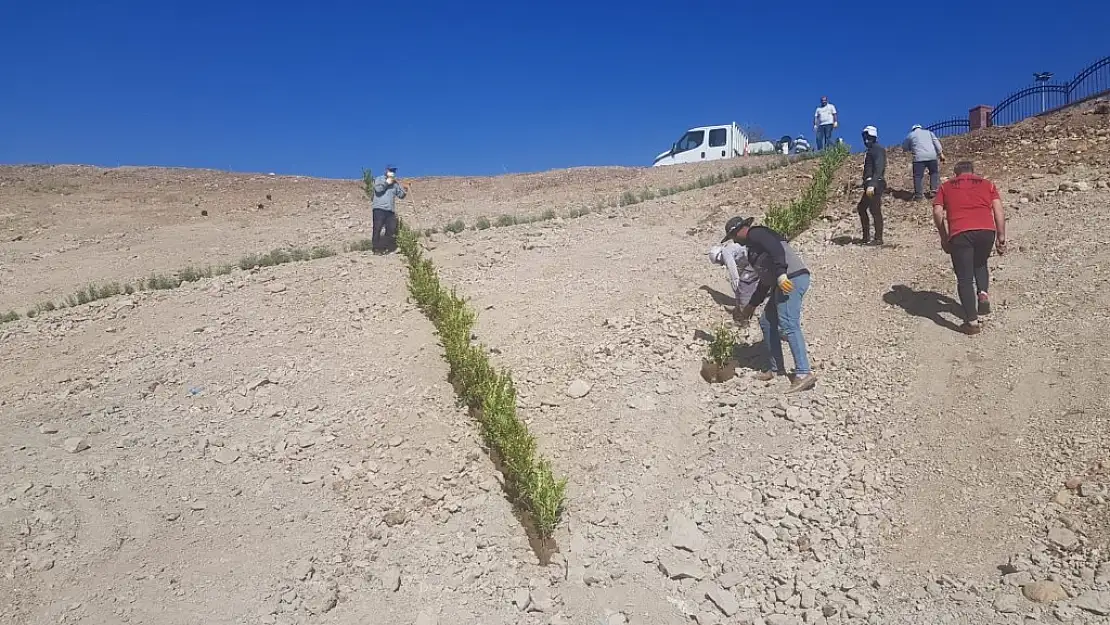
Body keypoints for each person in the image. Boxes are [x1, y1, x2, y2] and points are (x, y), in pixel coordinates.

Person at [723, 217, 817, 393]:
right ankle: (776, 369)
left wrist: (781, 273)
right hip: (780, 283)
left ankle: (804, 373)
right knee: (766, 321)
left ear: (741, 229)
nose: (734, 240)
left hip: (791, 278)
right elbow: (765, 281)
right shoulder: (753, 250)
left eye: (734, 235)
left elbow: (776, 249)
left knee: (789, 322)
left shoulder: (757, 233)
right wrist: (751, 305)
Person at [931, 161, 1007, 335]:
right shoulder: (988, 184)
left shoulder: (946, 187)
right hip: (987, 231)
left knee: (964, 278)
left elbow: (937, 212)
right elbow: (998, 210)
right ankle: (983, 295)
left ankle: (972, 323)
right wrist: (1001, 237)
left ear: (956, 173)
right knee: (980, 263)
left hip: (960, 232)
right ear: (973, 172)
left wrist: (944, 236)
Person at [707, 242, 760, 320]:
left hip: (755, 260)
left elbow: (732, 270)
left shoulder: (726, 252)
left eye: (720, 262)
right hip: (753, 260)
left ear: (718, 256)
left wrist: (737, 286)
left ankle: (744, 314)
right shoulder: (730, 249)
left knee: (744, 287)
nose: (722, 264)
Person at [858, 125, 886, 245]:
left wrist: (872, 184)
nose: (865, 140)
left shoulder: (877, 149)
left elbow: (879, 167)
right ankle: (866, 237)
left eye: (868, 137)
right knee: (862, 208)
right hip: (870, 183)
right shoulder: (871, 150)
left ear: (873, 137)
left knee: (875, 210)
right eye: (864, 138)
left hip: (876, 183)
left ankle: (878, 238)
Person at [370, 165, 408, 254]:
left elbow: (401, 195)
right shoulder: (379, 179)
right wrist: (387, 182)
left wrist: (405, 189)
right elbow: (378, 189)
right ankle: (376, 248)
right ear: (386, 170)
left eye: (394, 170)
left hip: (390, 210)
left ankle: (386, 248)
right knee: (377, 228)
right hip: (379, 208)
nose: (392, 172)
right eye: (391, 170)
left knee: (391, 229)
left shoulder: (395, 183)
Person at [902, 124, 945, 200]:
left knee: (918, 176)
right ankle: (934, 191)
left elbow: (905, 147)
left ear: (913, 129)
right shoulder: (929, 132)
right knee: (934, 172)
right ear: (921, 128)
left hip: (919, 158)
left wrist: (909, 148)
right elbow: (936, 142)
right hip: (932, 156)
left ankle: (919, 195)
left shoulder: (911, 135)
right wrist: (940, 153)